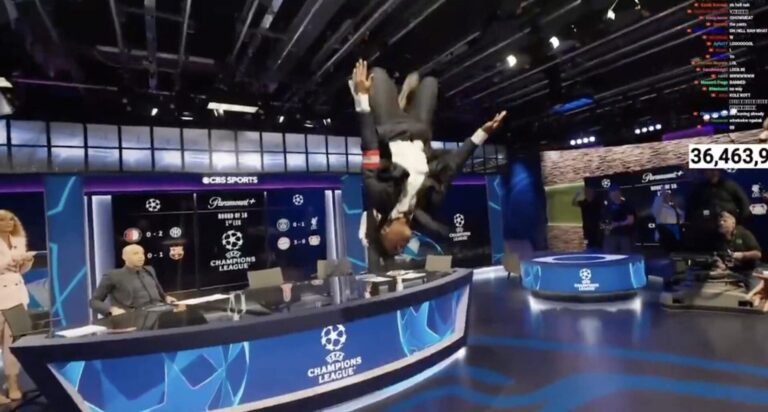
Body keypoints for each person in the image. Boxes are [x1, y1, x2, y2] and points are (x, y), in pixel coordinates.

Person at [349, 60, 506, 269]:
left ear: (384, 229)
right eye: (400, 250)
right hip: (420, 131)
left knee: (377, 73)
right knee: (431, 81)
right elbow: (451, 167)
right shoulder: (423, 208)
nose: (401, 248)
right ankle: (405, 98)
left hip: (391, 127)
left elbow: (369, 146)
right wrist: (481, 134)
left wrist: (361, 98)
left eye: (395, 247)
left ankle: (401, 98)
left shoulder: (379, 196)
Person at [0, 209, 34, 403]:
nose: (9, 223)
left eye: (11, 220)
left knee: (13, 343)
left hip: (17, 297)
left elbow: (19, 271)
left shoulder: (18, 241)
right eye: (3, 220)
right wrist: (6, 264)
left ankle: (13, 383)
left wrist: (27, 261)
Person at [90, 244, 177, 317]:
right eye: (135, 254)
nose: (141, 256)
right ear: (124, 257)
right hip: (132, 317)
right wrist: (112, 310)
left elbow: (160, 292)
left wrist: (166, 297)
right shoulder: (113, 276)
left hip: (159, 312)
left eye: (142, 253)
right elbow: (94, 302)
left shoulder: (149, 270)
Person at [711, 210, 762, 289]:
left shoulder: (744, 234)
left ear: (733, 223)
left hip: (750, 271)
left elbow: (757, 254)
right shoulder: (719, 239)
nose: (721, 223)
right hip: (732, 272)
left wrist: (742, 255)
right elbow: (718, 255)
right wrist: (719, 263)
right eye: (720, 221)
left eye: (724, 221)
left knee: (755, 291)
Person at [602, 186, 636, 254]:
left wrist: (617, 224)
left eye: (615, 192)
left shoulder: (626, 205)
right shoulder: (606, 207)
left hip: (624, 236)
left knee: (625, 256)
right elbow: (603, 221)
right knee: (610, 256)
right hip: (610, 237)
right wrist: (606, 227)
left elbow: (631, 220)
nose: (613, 195)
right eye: (611, 193)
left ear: (619, 193)